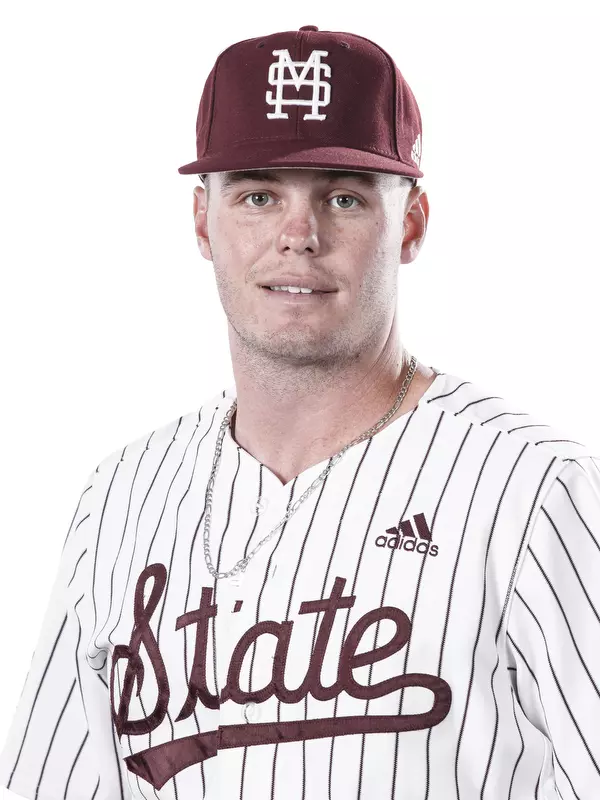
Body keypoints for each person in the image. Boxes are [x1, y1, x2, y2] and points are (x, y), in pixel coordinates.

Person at [1, 23, 599, 800]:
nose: (298, 237)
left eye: (343, 197)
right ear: (202, 221)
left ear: (410, 223)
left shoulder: (535, 491)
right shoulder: (118, 499)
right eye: (257, 194)